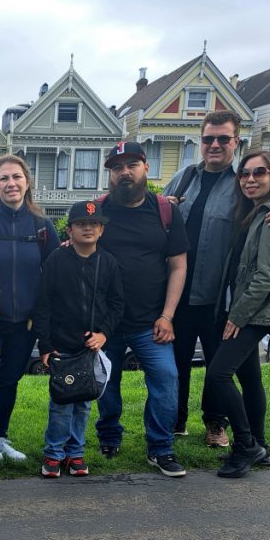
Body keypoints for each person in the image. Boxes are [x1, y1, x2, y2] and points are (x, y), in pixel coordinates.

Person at [164, 111, 270, 448]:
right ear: (201, 142)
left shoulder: (243, 182)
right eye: (208, 139)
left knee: (217, 366)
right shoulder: (184, 179)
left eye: (223, 139)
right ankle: (175, 421)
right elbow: (153, 214)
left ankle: (216, 424)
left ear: (236, 142)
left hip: (222, 298)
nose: (214, 145)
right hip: (178, 294)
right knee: (176, 363)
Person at [94, 141, 190, 478]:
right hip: (106, 323)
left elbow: (178, 266)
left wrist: (168, 316)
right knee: (106, 383)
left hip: (151, 322)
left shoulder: (165, 211)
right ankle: (109, 435)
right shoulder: (96, 210)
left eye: (131, 165)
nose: (125, 172)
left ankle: (160, 447)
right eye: (117, 167)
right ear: (110, 173)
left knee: (166, 377)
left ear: (146, 168)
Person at [206, 151, 270, 478]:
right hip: (245, 308)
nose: (250, 179)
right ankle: (260, 446)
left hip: (254, 311)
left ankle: (246, 445)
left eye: (259, 173)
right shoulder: (253, 211)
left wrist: (238, 316)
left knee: (218, 375)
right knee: (249, 378)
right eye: (244, 173)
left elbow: (267, 276)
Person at [0, 155, 60, 468]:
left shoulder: (43, 227)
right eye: (4, 178)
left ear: (27, 181)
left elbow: (54, 274)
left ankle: (0, 436)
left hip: (25, 323)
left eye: (16, 177)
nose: (11, 184)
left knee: (9, 381)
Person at [34, 200, 124, 479]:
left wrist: (104, 333)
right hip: (61, 346)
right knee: (61, 403)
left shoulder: (108, 263)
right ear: (69, 230)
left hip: (90, 348)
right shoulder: (56, 261)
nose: (88, 228)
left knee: (84, 403)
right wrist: (45, 346)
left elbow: (116, 304)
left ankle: (75, 452)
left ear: (102, 230)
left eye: (94, 224)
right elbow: (43, 305)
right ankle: (54, 453)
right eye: (81, 224)